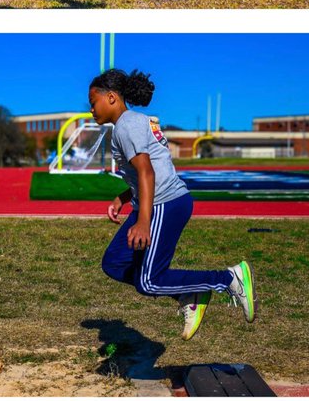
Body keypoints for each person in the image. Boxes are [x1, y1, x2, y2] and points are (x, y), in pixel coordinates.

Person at [90, 68, 255, 340]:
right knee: (114, 262)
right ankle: (188, 293)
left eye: (93, 102)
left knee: (149, 281)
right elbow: (150, 167)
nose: (91, 110)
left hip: (164, 204)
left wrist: (144, 222)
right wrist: (123, 197)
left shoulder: (126, 125)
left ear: (111, 97)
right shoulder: (132, 122)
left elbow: (147, 172)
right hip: (154, 202)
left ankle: (229, 279)